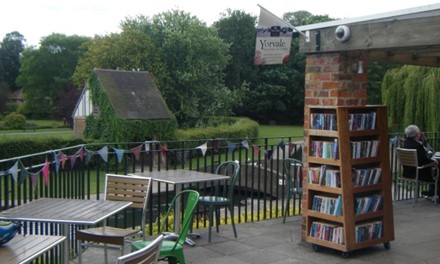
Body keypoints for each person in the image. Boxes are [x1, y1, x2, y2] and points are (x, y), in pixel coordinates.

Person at [402, 125, 438, 196]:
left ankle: (433, 190)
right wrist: (433, 161)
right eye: (419, 132)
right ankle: (434, 190)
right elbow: (424, 159)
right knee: (437, 166)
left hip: (407, 172)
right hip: (419, 173)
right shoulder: (417, 145)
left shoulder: (406, 143)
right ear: (417, 134)